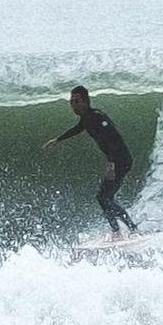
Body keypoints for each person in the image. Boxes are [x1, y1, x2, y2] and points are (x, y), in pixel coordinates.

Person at [47, 84, 140, 237]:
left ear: (85, 101)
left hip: (121, 160)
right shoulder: (86, 118)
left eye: (76, 101)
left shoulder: (97, 116)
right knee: (104, 198)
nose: (73, 105)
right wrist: (57, 139)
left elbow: (112, 139)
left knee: (104, 197)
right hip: (117, 160)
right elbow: (77, 129)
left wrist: (111, 163)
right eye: (71, 102)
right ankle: (120, 230)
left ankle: (130, 229)